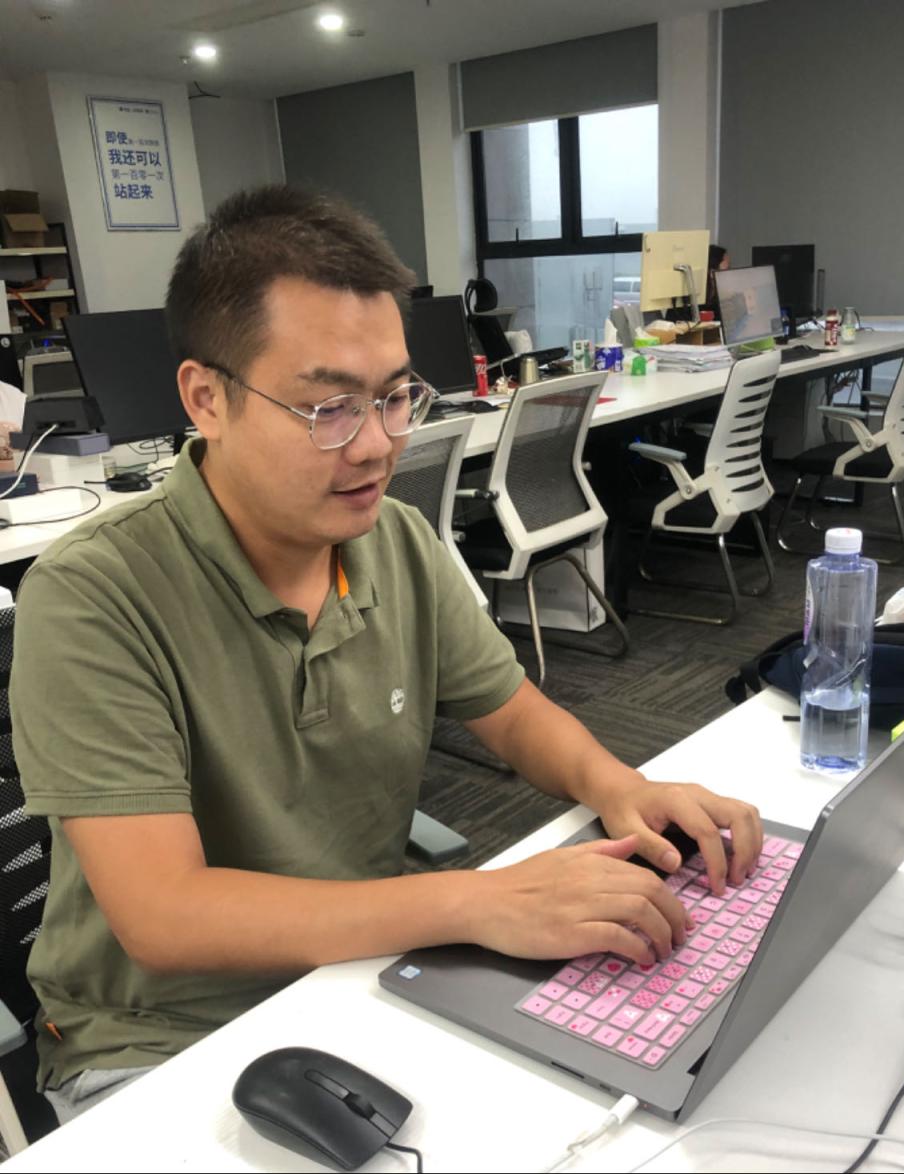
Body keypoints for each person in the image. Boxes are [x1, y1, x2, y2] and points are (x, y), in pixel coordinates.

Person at [11, 186, 762, 1123]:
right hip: (163, 1040)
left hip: (362, 966)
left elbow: (514, 714)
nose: (375, 445)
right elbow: (165, 916)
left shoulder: (394, 540)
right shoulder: (94, 594)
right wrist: (478, 902)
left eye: (395, 397)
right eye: (328, 407)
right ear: (206, 399)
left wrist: (620, 786)